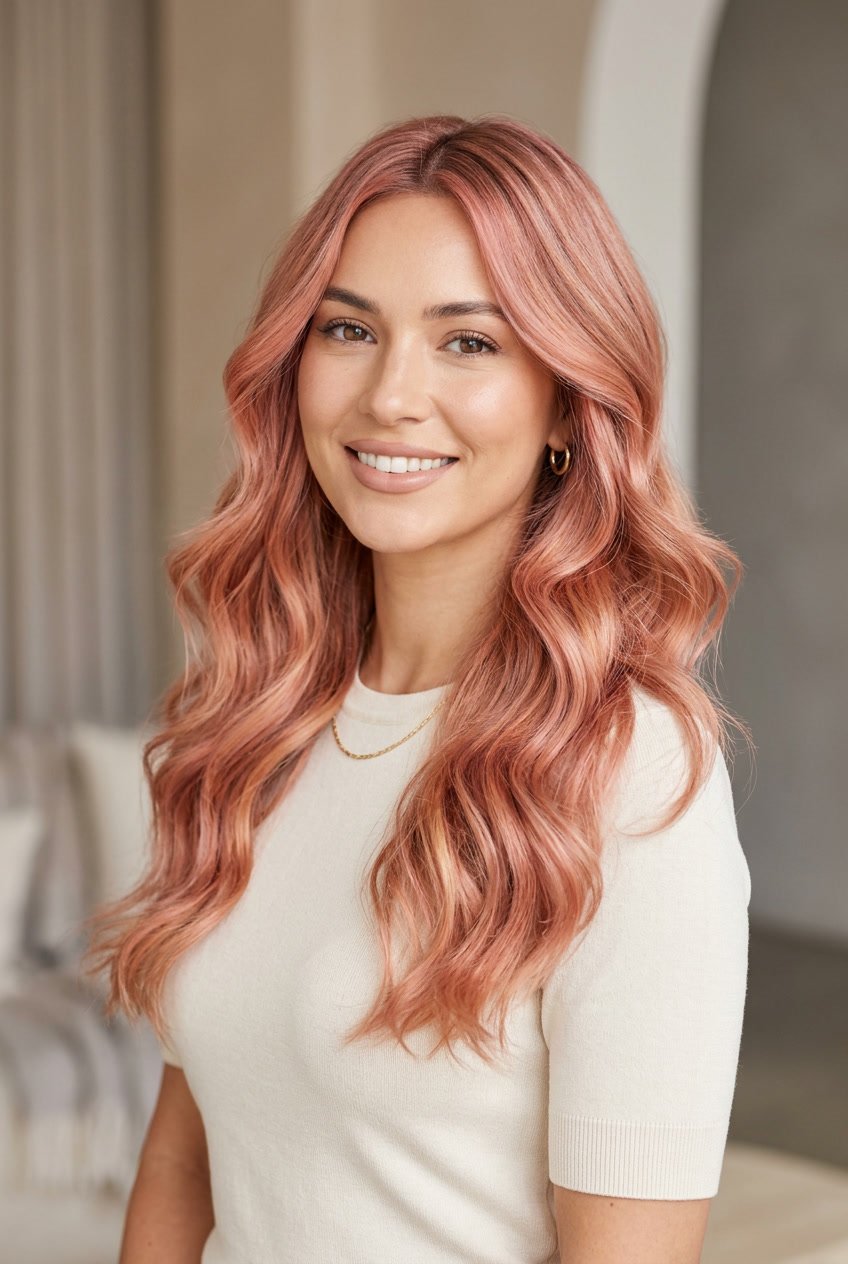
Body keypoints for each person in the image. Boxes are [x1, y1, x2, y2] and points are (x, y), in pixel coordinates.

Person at [85, 114, 754, 1264]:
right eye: (348, 328)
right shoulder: (261, 722)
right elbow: (186, 1157)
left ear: (564, 404)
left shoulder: (631, 772)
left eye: (469, 343)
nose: (391, 396)